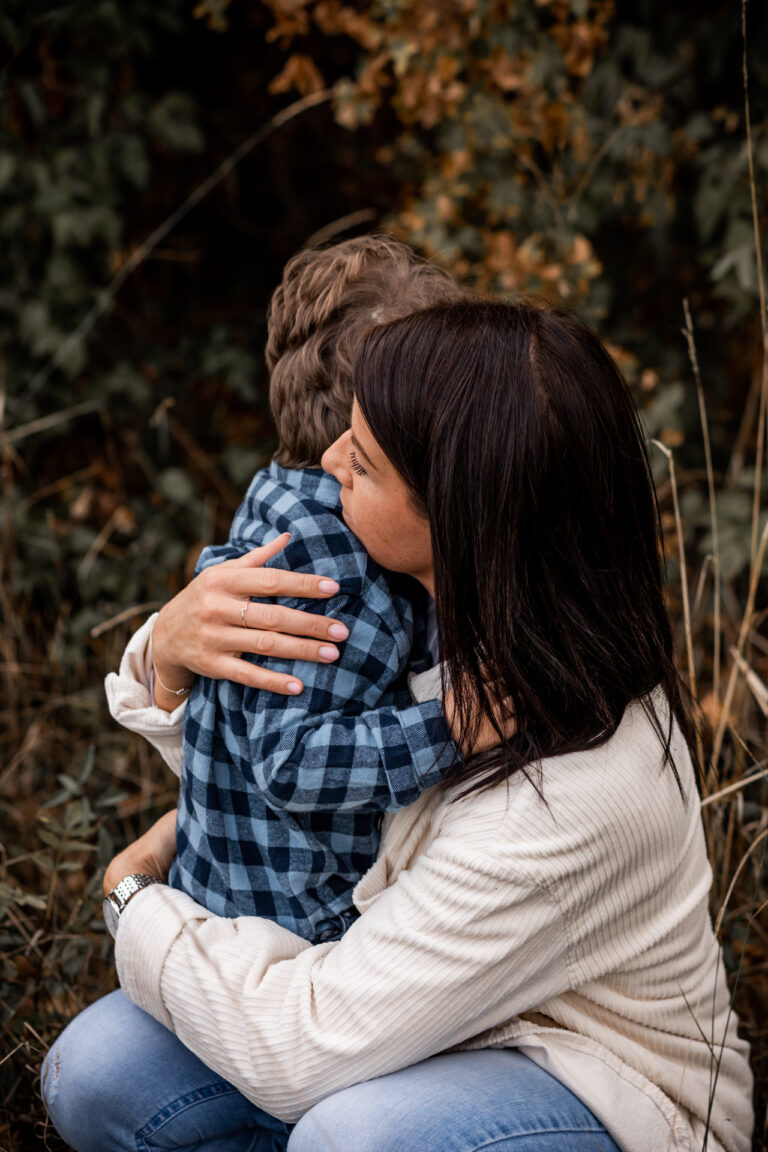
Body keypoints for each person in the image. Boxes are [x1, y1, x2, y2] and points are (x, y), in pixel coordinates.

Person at [43, 299, 754, 1152]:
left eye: (367, 462)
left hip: (582, 1077)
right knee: (95, 1071)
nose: (331, 459)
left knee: (354, 1138)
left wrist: (136, 901)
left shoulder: (577, 782)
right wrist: (169, 654)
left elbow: (302, 1051)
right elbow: (298, 804)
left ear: (458, 512)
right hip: (397, 1000)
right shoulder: (439, 608)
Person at [106, 236, 462, 939]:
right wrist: (454, 725)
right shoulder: (346, 571)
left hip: (211, 889)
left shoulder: (275, 497)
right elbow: (291, 760)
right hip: (299, 925)